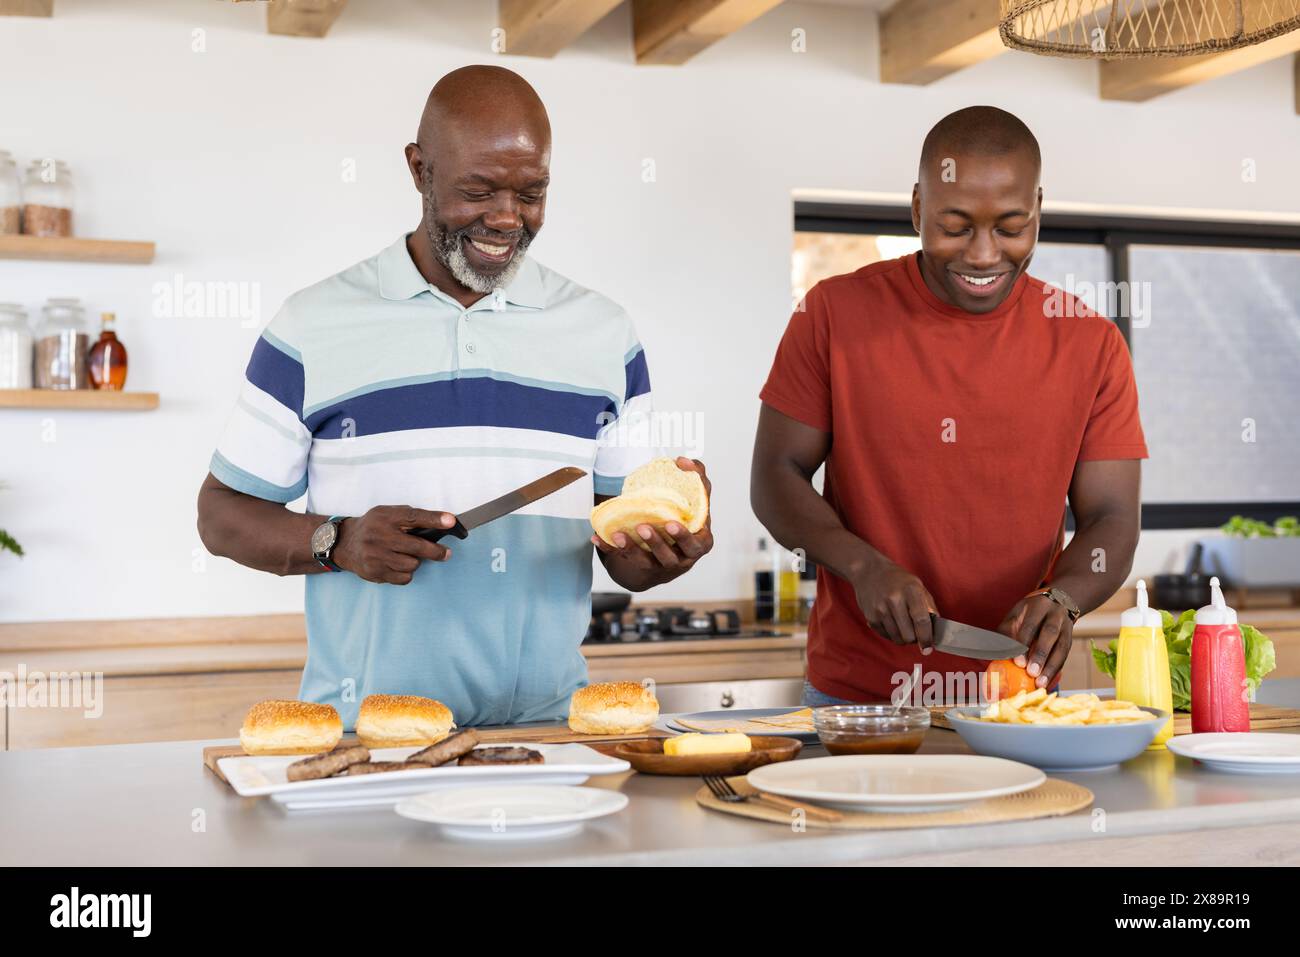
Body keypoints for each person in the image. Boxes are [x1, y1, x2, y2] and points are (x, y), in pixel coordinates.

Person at [197, 65, 712, 727]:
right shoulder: (311, 326)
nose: (507, 218)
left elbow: (626, 555)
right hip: (370, 740)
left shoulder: (604, 334)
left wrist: (668, 548)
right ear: (419, 169)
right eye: (479, 189)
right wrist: (339, 540)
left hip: (552, 737)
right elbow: (219, 516)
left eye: (532, 191)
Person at [751, 106, 1146, 706]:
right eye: (955, 227)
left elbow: (1113, 517)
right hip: (858, 698)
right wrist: (861, 566)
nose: (984, 255)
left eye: (1011, 228)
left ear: (1038, 208)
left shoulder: (1092, 343)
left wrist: (1063, 598)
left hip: (1018, 696)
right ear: (916, 209)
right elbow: (775, 476)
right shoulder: (833, 314)